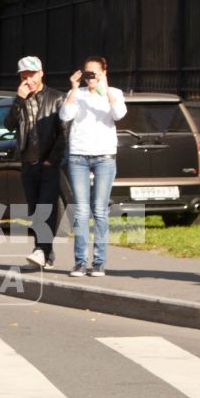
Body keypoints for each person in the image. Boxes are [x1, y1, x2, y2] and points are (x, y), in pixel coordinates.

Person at [59, 56, 126, 276]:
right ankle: (80, 261)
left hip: (105, 157)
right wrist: (73, 88)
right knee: (80, 210)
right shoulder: (76, 94)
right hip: (79, 155)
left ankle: (98, 262)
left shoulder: (114, 93)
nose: (91, 77)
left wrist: (104, 88)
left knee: (99, 210)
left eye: (95, 73)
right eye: (87, 73)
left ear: (104, 72)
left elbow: (119, 115)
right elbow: (64, 115)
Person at [5, 56, 66, 269]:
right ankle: (46, 254)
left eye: (31, 75)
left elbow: (64, 132)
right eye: (24, 76)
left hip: (48, 161)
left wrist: (53, 159)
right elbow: (9, 124)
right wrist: (18, 100)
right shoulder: (21, 99)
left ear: (41, 73)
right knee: (34, 209)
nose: (28, 80)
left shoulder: (57, 98)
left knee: (46, 207)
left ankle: (41, 250)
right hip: (28, 161)